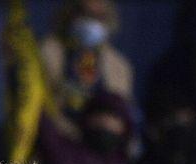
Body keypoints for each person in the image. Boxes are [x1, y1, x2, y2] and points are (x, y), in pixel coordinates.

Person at [39, 0, 134, 135]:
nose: (91, 22)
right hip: (55, 140)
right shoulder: (48, 51)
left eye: (98, 16)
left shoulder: (119, 66)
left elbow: (122, 115)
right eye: (85, 14)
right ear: (70, 14)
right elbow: (39, 107)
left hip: (100, 145)